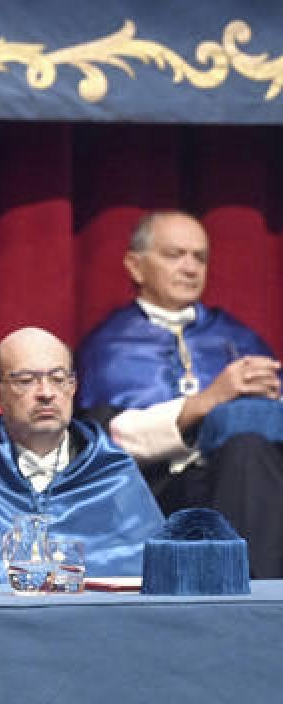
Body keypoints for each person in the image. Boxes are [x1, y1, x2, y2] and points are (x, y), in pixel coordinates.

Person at [76, 210, 283, 578]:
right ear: (135, 266)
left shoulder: (237, 336)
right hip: (163, 495)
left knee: (250, 449)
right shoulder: (107, 346)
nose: (190, 268)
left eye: (199, 257)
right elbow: (105, 442)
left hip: (255, 484)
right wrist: (206, 402)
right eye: (175, 255)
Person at [0, 328, 164, 584]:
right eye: (26, 381)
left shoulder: (111, 472)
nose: (46, 393)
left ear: (73, 388)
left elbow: (156, 583)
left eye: (58, 379)